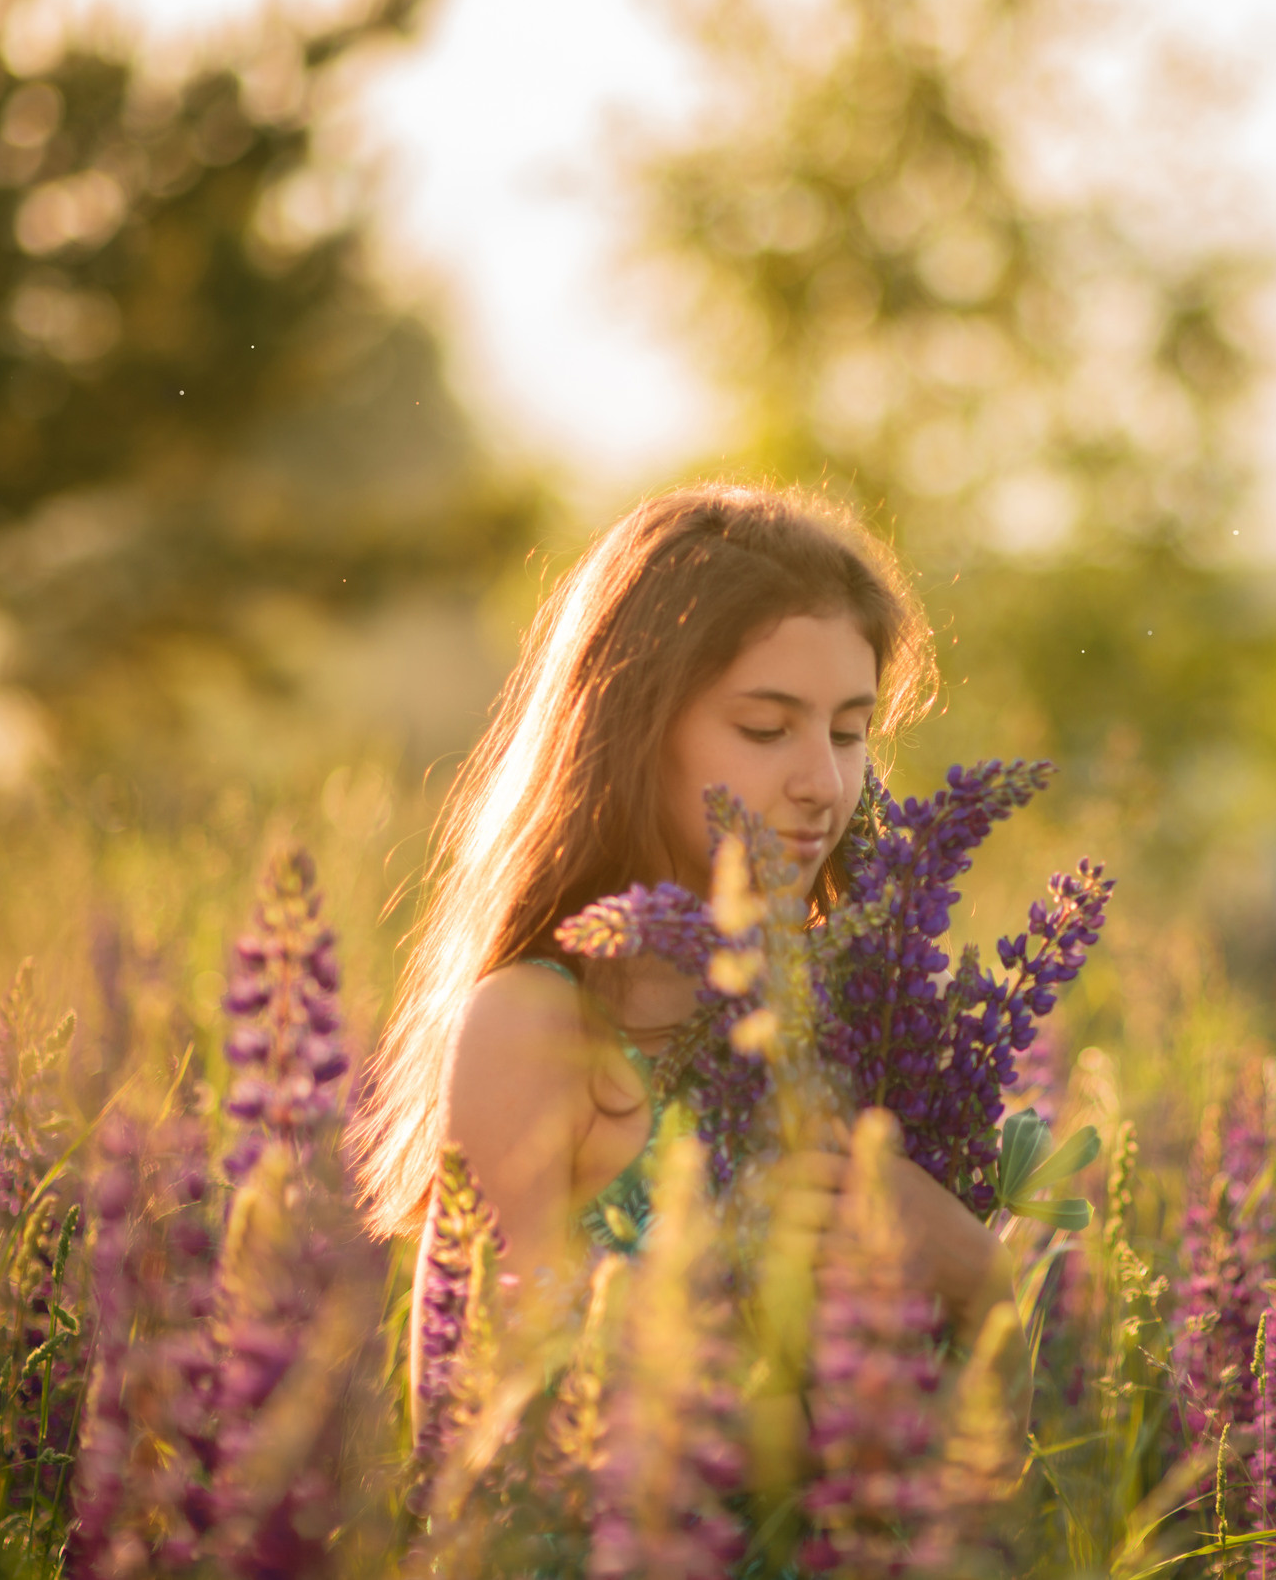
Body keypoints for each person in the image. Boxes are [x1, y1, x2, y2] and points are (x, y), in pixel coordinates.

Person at [347, 482, 1014, 1357]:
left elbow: (1009, 1455)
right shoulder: (540, 1027)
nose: (822, 781)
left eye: (849, 733)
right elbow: (471, 1441)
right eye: (767, 729)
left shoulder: (864, 1018)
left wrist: (978, 1272)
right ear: (636, 729)